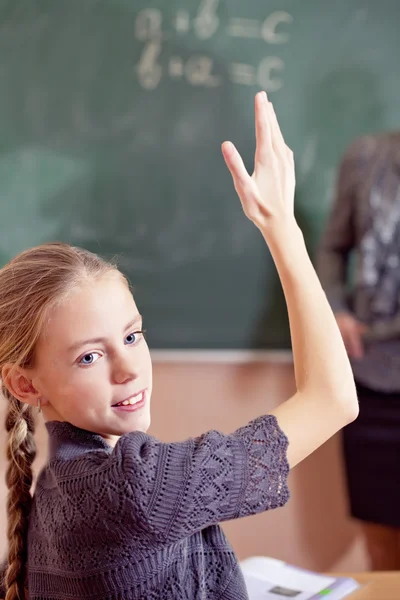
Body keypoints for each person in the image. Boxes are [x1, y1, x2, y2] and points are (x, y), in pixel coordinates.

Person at [0, 92, 358, 600]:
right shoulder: (133, 489)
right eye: (89, 356)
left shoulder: (54, 488)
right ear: (24, 383)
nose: (128, 370)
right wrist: (283, 229)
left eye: (132, 336)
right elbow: (334, 399)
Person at [317, 132, 400, 570]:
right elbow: (333, 246)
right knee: (381, 545)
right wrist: (336, 309)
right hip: (369, 377)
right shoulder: (368, 156)